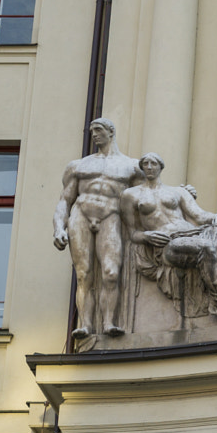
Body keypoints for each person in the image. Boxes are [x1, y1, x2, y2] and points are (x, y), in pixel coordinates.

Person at [119, 154, 217, 321]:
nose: (149, 167)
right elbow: (132, 233)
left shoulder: (177, 191)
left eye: (154, 163)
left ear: (160, 167)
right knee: (205, 247)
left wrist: (215, 217)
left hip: (193, 232)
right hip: (169, 243)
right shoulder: (131, 195)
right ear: (142, 168)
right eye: (146, 164)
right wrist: (147, 236)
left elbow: (199, 215)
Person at [53, 119, 141, 340]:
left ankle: (110, 322)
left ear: (111, 132)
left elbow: (149, 194)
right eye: (91, 131)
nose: (94, 135)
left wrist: (184, 193)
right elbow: (65, 200)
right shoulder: (79, 166)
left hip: (111, 215)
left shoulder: (131, 166)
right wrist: (58, 228)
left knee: (111, 273)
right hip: (81, 215)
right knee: (84, 274)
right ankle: (85, 324)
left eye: (99, 130)